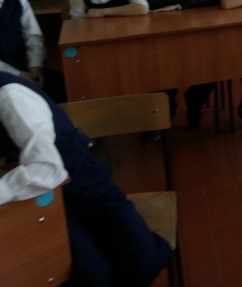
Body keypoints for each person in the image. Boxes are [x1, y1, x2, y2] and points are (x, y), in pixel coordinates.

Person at [0, 74, 171, 286]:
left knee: (144, 264)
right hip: (45, 206)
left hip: (86, 183)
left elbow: (47, 170)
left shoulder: (11, 96)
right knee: (94, 277)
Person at [136, 0, 221, 128]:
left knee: (212, 70)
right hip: (163, 35)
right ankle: (168, 107)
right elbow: (152, 0)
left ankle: (194, 102)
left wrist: (179, 5)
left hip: (196, 34)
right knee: (163, 75)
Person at [0, 0, 65, 103]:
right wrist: (17, 75)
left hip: (24, 66)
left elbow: (33, 37)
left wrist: (35, 66)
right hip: (4, 74)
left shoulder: (19, 2)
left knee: (62, 87)